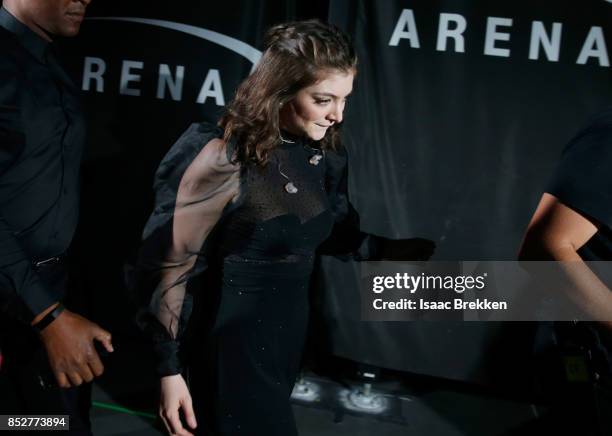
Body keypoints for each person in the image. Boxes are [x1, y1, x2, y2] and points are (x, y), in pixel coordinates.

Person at [136, 19, 406, 436]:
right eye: (323, 100)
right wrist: (168, 372)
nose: (337, 115)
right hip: (230, 344)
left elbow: (332, 234)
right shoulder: (223, 156)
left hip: (286, 339)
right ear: (280, 92)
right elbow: (171, 268)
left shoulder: (325, 157)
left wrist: (394, 252)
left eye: (344, 99)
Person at [0, 0, 113, 433]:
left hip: (49, 294)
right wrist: (46, 315)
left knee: (45, 422)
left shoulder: (46, 58)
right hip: (24, 302)